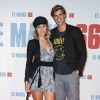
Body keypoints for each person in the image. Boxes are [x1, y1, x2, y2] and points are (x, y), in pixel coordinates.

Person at [50, 5, 87, 100]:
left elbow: (83, 52)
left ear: (64, 15)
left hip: (71, 73)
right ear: (53, 17)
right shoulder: (51, 33)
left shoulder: (75, 31)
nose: (58, 18)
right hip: (57, 75)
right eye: (55, 16)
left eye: (60, 14)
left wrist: (78, 70)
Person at [24, 16, 55, 100]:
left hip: (50, 78)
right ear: (36, 30)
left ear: (47, 28)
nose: (42, 29)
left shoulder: (52, 41)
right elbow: (29, 62)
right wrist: (26, 80)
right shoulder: (32, 43)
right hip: (36, 77)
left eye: (44, 26)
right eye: (39, 27)